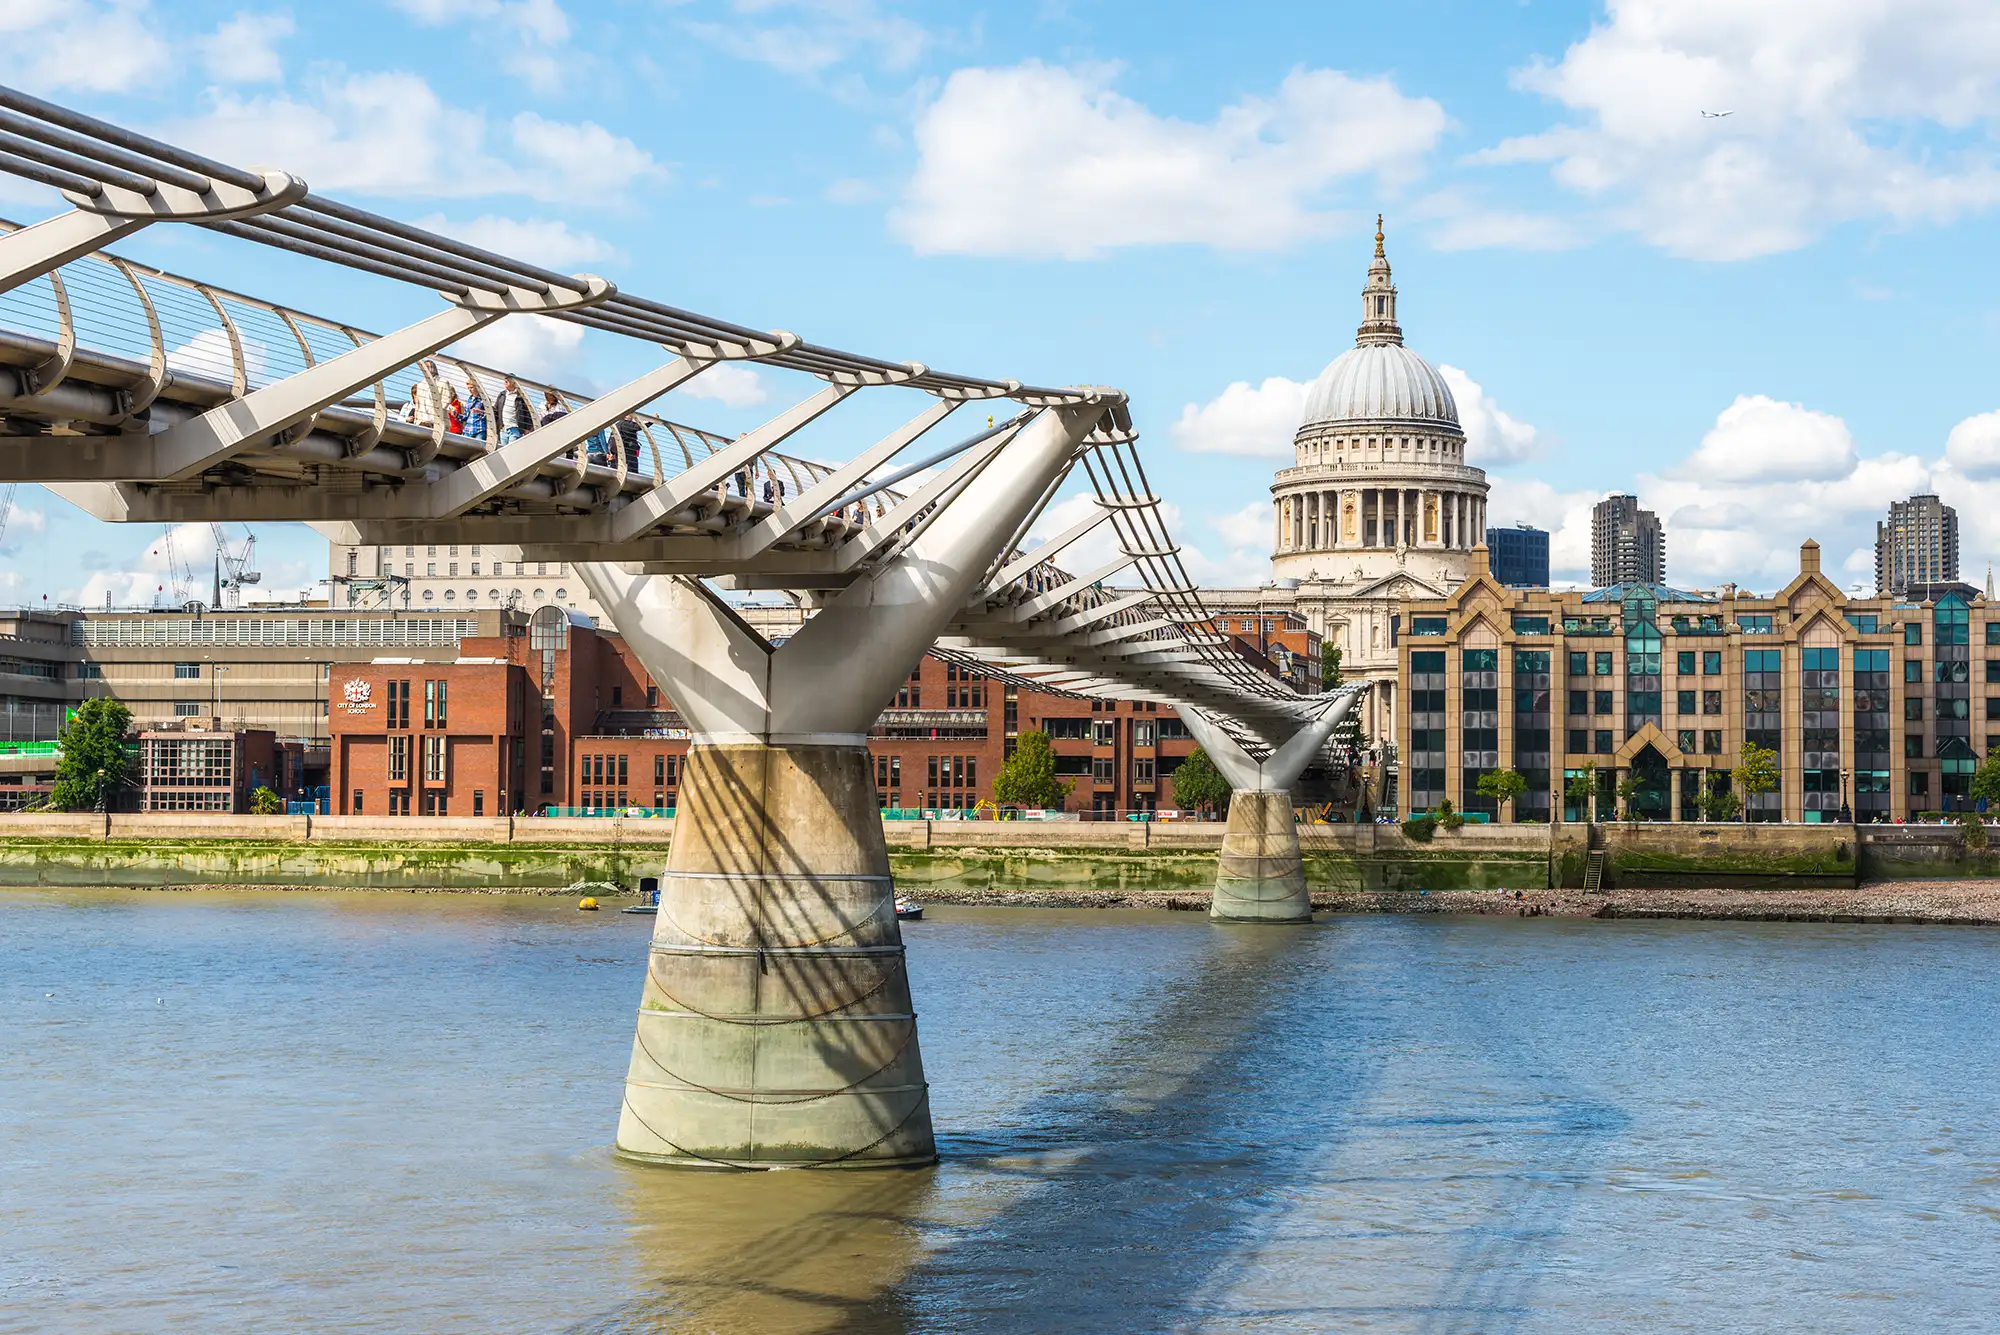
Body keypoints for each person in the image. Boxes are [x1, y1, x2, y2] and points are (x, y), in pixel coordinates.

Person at [495, 377, 533, 443]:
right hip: (503, 429)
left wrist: (528, 428)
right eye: (505, 380)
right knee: (504, 452)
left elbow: (527, 413)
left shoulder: (520, 396)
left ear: (514, 382)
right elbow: (496, 409)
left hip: (515, 428)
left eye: (508, 380)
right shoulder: (502, 395)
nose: (505, 381)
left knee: (512, 451)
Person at [462, 377, 488, 442]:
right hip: (467, 430)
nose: (469, 390)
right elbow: (466, 416)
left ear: (477, 387)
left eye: (471, 387)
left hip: (479, 430)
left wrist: (481, 412)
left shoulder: (484, 399)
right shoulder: (469, 400)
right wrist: (456, 415)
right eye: (468, 388)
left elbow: (490, 415)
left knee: (479, 450)